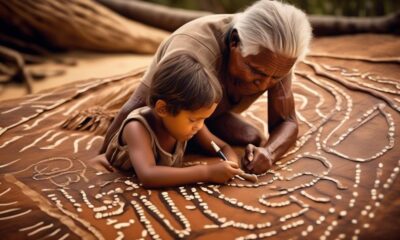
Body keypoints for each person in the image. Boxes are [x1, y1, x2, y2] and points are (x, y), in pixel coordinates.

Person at [100, 0, 312, 175]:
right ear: (235, 42)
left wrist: (268, 153)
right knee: (159, 137)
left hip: (204, 114)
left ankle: (191, 126)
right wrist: (105, 153)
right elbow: (139, 102)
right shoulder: (193, 47)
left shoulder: (277, 59)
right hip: (172, 110)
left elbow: (287, 121)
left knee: (251, 138)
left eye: (275, 78)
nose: (264, 84)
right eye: (256, 71)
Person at [104, 53, 243, 187]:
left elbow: (223, 147)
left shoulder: (192, 125)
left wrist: (231, 164)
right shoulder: (137, 127)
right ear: (163, 109)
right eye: (193, 120)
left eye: (203, 119)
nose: (199, 126)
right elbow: (148, 175)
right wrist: (207, 172)